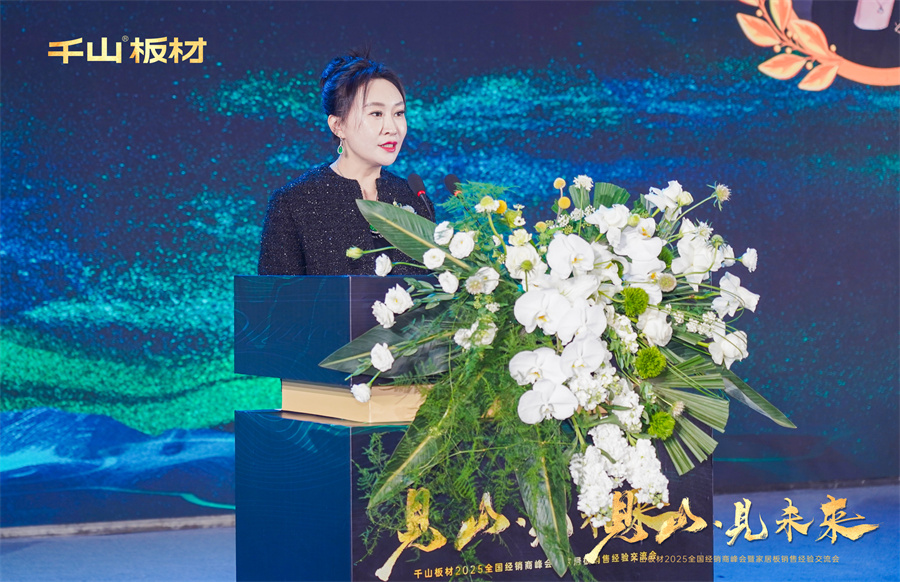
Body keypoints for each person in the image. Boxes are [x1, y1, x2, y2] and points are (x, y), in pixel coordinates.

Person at [257, 51, 434, 276]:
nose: (392, 128)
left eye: (398, 113)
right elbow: (275, 295)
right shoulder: (294, 202)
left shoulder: (414, 198)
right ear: (338, 125)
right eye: (376, 113)